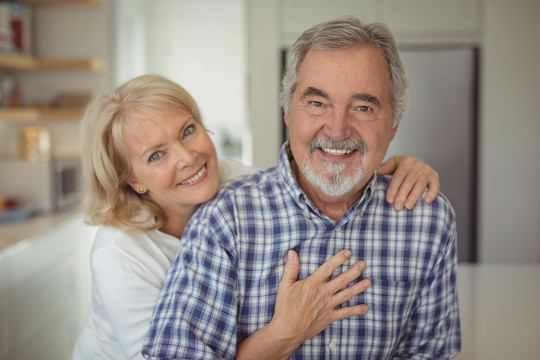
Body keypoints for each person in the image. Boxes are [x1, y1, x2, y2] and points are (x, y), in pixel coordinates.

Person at [143, 17, 461, 359]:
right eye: (317, 103)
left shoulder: (428, 221)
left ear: (394, 124)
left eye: (363, 107)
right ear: (288, 112)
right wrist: (283, 335)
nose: (338, 130)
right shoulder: (224, 221)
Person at [71, 74, 440, 359]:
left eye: (188, 131)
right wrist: (287, 331)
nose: (187, 157)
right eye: (156, 155)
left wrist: (397, 166)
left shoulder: (239, 182)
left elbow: (312, 181)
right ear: (132, 181)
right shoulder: (119, 257)